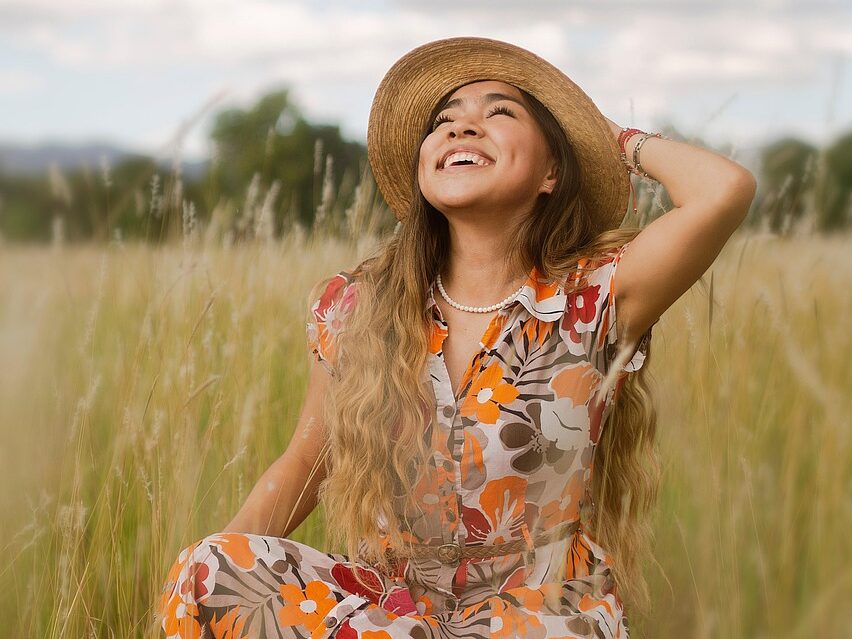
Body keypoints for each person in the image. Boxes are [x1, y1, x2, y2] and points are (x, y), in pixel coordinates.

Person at [157, 36, 756, 639]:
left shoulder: (595, 294)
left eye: (499, 113)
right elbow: (308, 461)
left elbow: (723, 190)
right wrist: (215, 588)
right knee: (206, 569)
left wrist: (613, 138)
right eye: (444, 121)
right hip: (391, 613)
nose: (462, 127)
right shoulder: (356, 306)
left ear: (551, 171)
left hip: (541, 616)